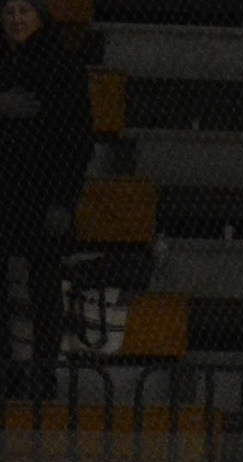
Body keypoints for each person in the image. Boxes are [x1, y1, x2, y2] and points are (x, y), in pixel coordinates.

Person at [0, 0, 94, 381]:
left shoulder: (62, 66)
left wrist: (63, 201)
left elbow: (78, 139)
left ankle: (43, 375)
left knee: (44, 283)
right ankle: (8, 374)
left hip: (43, 191)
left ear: (39, 16)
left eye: (24, 11)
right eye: (9, 11)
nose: (16, 19)